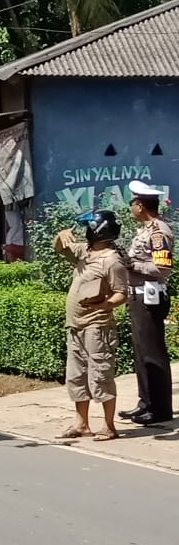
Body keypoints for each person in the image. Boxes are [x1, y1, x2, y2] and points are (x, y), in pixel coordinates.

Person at [53, 211, 128, 441]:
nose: (86, 230)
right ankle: (82, 424)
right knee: (76, 376)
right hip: (75, 326)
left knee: (101, 376)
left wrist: (104, 305)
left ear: (100, 230)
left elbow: (121, 293)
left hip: (97, 328)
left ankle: (109, 426)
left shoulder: (112, 261)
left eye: (90, 227)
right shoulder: (84, 252)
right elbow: (59, 248)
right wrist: (61, 235)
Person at [119, 180, 174, 424]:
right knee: (141, 353)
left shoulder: (158, 231)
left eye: (133, 203)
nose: (131, 207)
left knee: (153, 354)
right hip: (138, 295)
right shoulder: (145, 229)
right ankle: (146, 403)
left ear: (140, 205)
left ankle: (160, 408)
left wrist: (132, 265)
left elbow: (163, 268)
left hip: (149, 297)